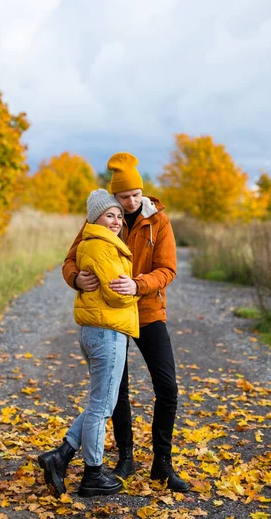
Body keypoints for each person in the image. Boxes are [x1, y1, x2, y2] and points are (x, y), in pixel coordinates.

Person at [61, 152, 190, 493]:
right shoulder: (102, 216)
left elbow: (168, 269)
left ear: (142, 192)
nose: (129, 202)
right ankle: (126, 457)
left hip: (147, 312)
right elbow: (71, 258)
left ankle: (162, 464)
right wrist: (75, 279)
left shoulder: (158, 221)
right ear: (113, 196)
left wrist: (139, 284)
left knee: (167, 388)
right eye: (123, 197)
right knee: (117, 390)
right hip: (112, 316)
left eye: (135, 195)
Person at [38, 189, 140, 498]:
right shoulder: (101, 246)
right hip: (106, 331)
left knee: (101, 401)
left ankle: (62, 455)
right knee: (101, 406)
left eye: (119, 216)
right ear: (94, 217)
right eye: (110, 215)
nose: (116, 221)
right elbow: (115, 292)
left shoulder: (97, 244)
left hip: (99, 330)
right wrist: (137, 290)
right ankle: (93, 474)